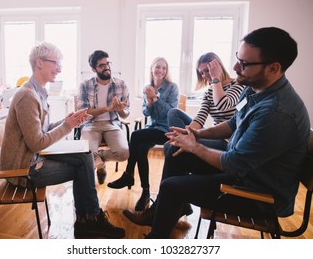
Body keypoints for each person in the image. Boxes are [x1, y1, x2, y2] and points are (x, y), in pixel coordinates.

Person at [122, 27, 311, 239]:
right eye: (238, 59)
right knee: (175, 148)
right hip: (243, 168)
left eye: (245, 63)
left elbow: (234, 164)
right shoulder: (255, 88)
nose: (235, 67)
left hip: (257, 194)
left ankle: (158, 236)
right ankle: (163, 212)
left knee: (170, 186)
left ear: (273, 68)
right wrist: (197, 135)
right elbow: (232, 123)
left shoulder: (277, 114)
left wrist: (194, 145)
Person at [0, 42, 125, 239]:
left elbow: (42, 130)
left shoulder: (37, 91)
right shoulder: (27, 96)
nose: (59, 68)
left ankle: (87, 219)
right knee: (82, 165)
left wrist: (68, 121)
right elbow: (36, 143)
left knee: (85, 157)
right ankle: (90, 218)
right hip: (22, 169)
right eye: (55, 63)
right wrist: (67, 125)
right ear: (39, 63)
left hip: (33, 159)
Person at [107, 57, 179, 211]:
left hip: (166, 130)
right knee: (140, 150)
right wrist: (149, 101)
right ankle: (145, 192)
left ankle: (128, 174)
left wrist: (155, 97)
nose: (160, 70)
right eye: (157, 67)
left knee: (135, 135)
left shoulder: (172, 88)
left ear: (167, 71)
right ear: (152, 68)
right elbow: (146, 112)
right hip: (151, 128)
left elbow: (170, 113)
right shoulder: (147, 87)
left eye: (164, 68)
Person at [77, 50, 130, 185]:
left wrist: (120, 110)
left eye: (107, 63)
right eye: (101, 65)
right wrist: (107, 108)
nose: (106, 67)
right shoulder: (85, 85)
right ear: (94, 69)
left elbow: (126, 114)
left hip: (112, 124)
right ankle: (100, 165)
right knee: (86, 155)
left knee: (124, 154)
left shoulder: (121, 84)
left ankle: (99, 159)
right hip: (90, 125)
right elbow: (84, 112)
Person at [168, 52, 244, 132]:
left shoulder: (237, 84)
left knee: (173, 144)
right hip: (213, 134)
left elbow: (223, 105)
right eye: (201, 73)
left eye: (207, 70)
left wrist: (215, 77)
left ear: (218, 67)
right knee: (173, 113)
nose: (204, 75)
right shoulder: (209, 92)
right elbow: (201, 117)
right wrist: (187, 132)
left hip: (229, 137)